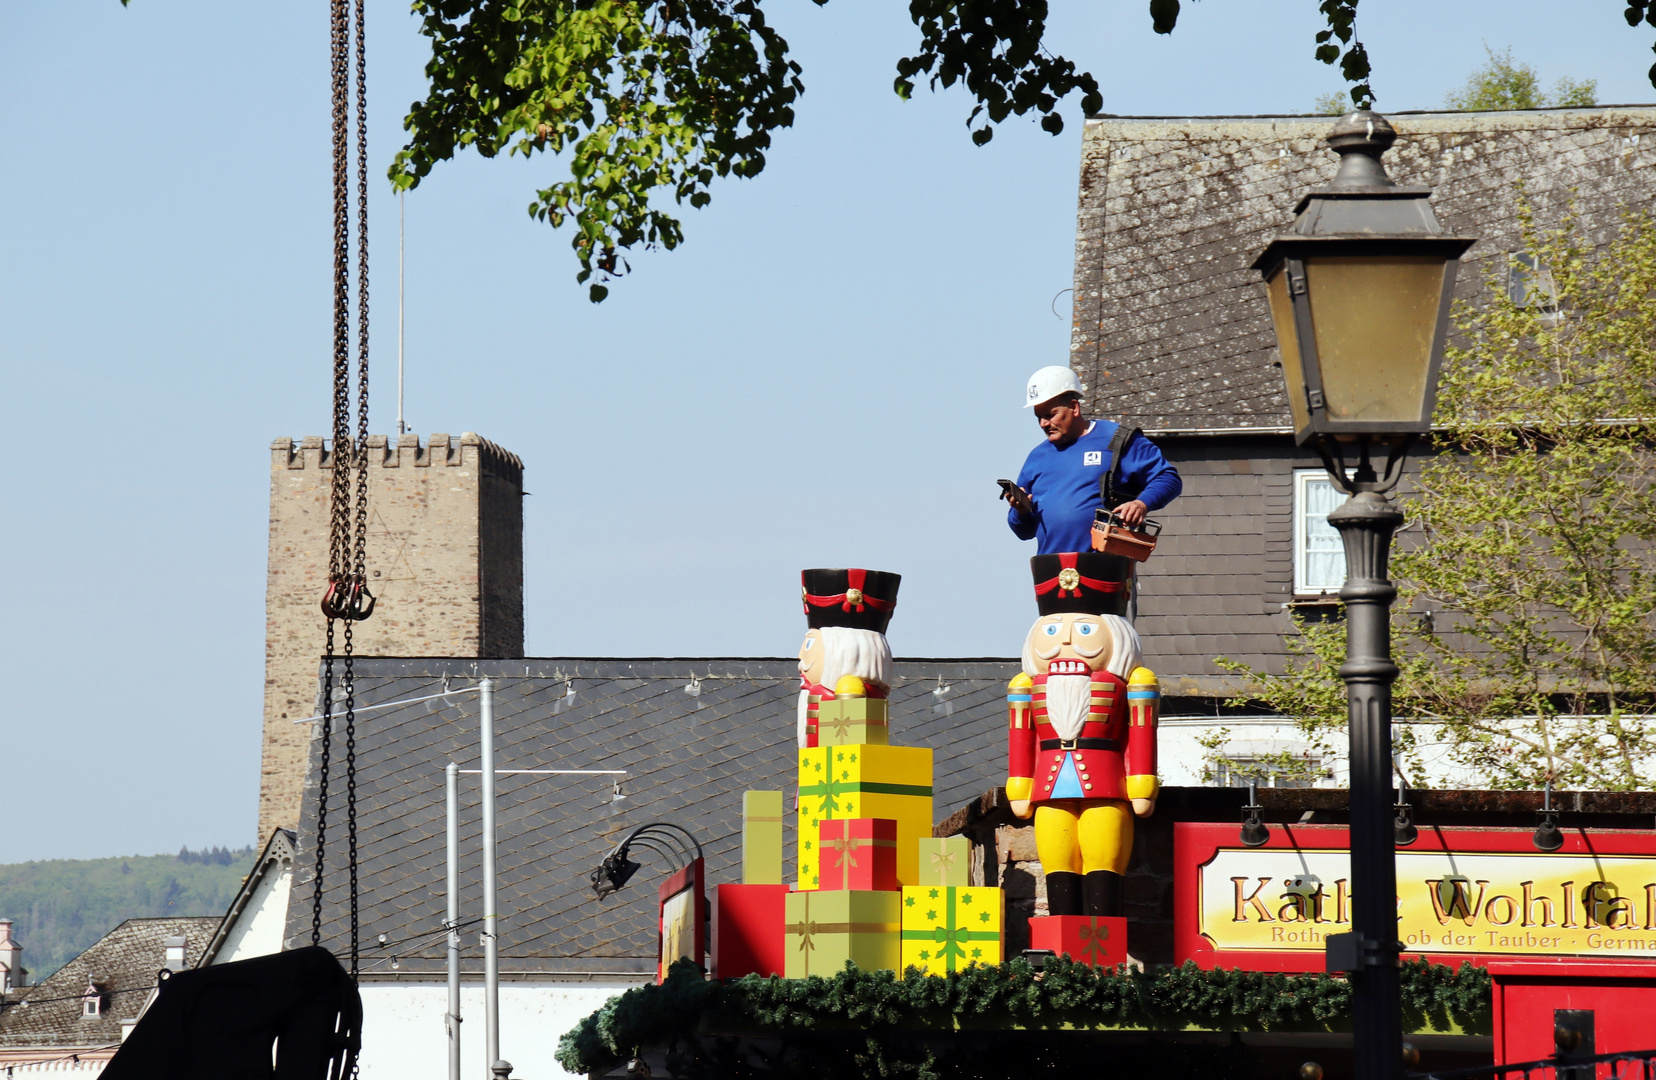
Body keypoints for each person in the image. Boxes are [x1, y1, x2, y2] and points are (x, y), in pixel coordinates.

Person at [1005, 552, 1160, 918]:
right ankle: (1063, 934)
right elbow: (1021, 739)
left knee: (1102, 856)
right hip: (1049, 786)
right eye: (1054, 632)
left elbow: (1139, 732)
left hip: (1106, 783)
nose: (1065, 645)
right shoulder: (1027, 686)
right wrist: (1020, 782)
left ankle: (1100, 934)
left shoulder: (1129, 683)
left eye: (1084, 632)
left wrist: (1141, 781)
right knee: (1058, 861)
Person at [1002, 365, 1182, 555]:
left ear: (1074, 407)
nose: (1044, 424)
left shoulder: (1116, 440)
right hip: (1052, 573)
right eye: (1039, 417)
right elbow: (1023, 532)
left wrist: (1141, 504)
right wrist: (1020, 511)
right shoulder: (1036, 458)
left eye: (1050, 415)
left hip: (1105, 569)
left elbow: (1168, 477)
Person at [796, 568, 900, 748]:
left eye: (809, 645)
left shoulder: (850, 690)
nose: (800, 656)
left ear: (840, 651)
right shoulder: (819, 692)